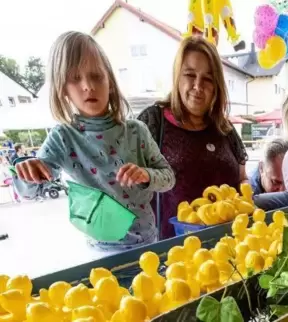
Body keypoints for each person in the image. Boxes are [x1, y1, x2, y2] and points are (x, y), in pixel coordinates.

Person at [13, 31, 175, 250]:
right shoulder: (63, 137)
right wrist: (27, 173)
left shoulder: (137, 131)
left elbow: (168, 178)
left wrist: (146, 175)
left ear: (110, 81)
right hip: (99, 253)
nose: (88, 85)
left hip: (149, 244)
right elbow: (29, 192)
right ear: (62, 89)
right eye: (75, 78)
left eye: (96, 76)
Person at [138, 36, 248, 239]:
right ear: (177, 77)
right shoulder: (153, 122)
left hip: (229, 251)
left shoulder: (225, 128)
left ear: (216, 85)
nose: (198, 86)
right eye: (190, 75)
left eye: (207, 78)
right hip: (172, 255)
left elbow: (243, 181)